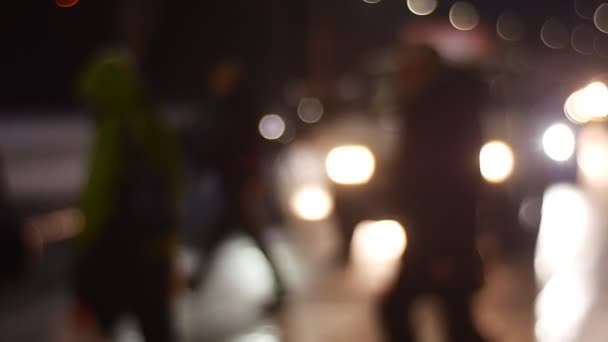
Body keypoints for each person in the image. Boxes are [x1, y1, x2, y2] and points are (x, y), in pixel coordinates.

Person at [73, 49, 182, 342]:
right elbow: (174, 180)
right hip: (156, 243)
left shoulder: (114, 129)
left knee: (101, 326)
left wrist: (84, 241)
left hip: (120, 247)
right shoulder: (155, 123)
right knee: (158, 326)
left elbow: (99, 191)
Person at [379, 46, 486, 342]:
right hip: (436, 236)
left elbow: (449, 187)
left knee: (396, 308)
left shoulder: (435, 114)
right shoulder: (435, 108)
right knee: (457, 320)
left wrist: (444, 250)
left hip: (437, 239)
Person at [183, 56, 286, 305]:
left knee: (229, 231)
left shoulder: (239, 108)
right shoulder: (225, 106)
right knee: (233, 232)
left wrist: (251, 177)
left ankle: (198, 279)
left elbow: (243, 147)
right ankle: (198, 279)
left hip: (238, 182)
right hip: (233, 181)